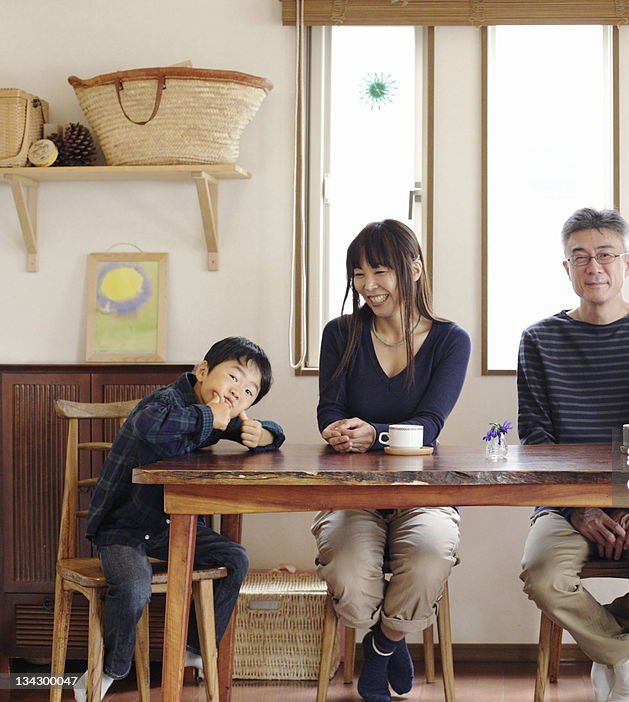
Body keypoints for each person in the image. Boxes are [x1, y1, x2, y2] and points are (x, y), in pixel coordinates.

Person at [517, 208, 629, 702]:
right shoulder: (539, 340)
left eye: (605, 254)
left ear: (627, 262)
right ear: (566, 268)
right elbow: (536, 439)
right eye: (580, 256)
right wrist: (580, 507)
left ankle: (609, 644)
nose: (593, 266)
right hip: (562, 503)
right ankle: (623, 653)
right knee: (542, 576)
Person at [312, 220, 471, 702]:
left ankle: (382, 644)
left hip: (423, 490)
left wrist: (374, 434)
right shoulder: (340, 333)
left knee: (428, 554)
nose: (368, 286)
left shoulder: (450, 340)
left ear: (414, 270)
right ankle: (389, 639)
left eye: (380, 272)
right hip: (351, 491)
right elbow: (329, 409)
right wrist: (336, 430)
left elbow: (430, 423)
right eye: (358, 274)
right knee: (344, 564)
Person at [79, 336, 285, 702]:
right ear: (202, 370)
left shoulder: (217, 410)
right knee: (133, 587)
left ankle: (195, 648)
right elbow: (150, 427)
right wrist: (213, 416)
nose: (238, 393)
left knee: (236, 558)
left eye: (250, 391)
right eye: (233, 378)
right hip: (121, 528)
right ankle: (111, 668)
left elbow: (264, 431)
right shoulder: (165, 402)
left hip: (167, 527)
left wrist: (265, 433)